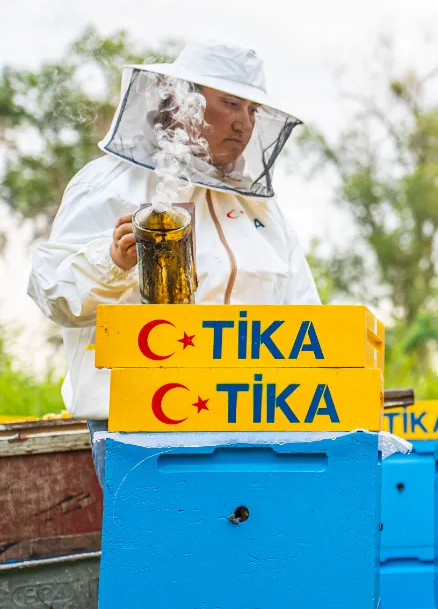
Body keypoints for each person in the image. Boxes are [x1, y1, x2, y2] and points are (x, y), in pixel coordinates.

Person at [28, 40, 320, 488]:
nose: (244, 122)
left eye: (253, 110)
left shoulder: (262, 211)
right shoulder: (107, 184)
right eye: (230, 103)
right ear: (182, 100)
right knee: (162, 553)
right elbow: (53, 293)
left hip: (254, 419)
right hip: (140, 419)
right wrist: (111, 260)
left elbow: (302, 310)